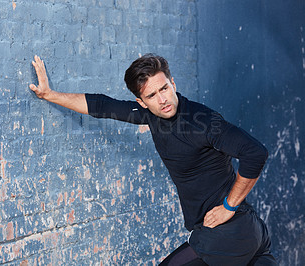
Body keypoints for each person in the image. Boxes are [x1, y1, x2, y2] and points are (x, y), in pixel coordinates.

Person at [29, 54, 277, 265]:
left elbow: (255, 153)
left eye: (165, 89)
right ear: (141, 102)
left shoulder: (203, 121)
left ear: (173, 83)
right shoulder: (150, 116)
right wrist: (50, 95)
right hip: (247, 235)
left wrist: (229, 206)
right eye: (152, 95)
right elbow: (102, 106)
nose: (163, 100)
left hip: (229, 234)